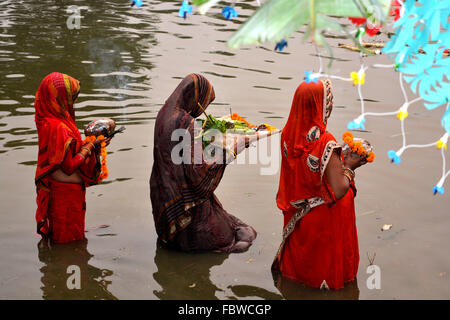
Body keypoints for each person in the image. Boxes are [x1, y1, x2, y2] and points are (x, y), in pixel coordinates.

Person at [272, 79, 367, 290]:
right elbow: (340, 189)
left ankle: (294, 286)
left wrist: (336, 163)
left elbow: (304, 172)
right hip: (324, 216)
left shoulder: (288, 133)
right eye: (328, 101)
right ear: (318, 105)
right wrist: (350, 166)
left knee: (301, 266)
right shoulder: (325, 142)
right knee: (325, 270)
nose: (330, 106)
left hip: (299, 214)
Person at [150, 73, 256, 253]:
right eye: (204, 103)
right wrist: (233, 149)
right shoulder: (188, 124)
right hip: (186, 210)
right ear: (194, 98)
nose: (202, 109)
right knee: (247, 235)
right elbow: (200, 177)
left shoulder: (164, 113)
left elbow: (181, 155)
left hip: (164, 202)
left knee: (238, 227)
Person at [34, 72, 107, 243]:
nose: (73, 101)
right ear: (59, 97)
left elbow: (64, 154)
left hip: (63, 192)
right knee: (68, 242)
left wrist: (93, 144)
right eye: (71, 97)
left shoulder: (48, 117)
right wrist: (90, 146)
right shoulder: (58, 127)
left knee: (65, 239)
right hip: (65, 196)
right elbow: (68, 166)